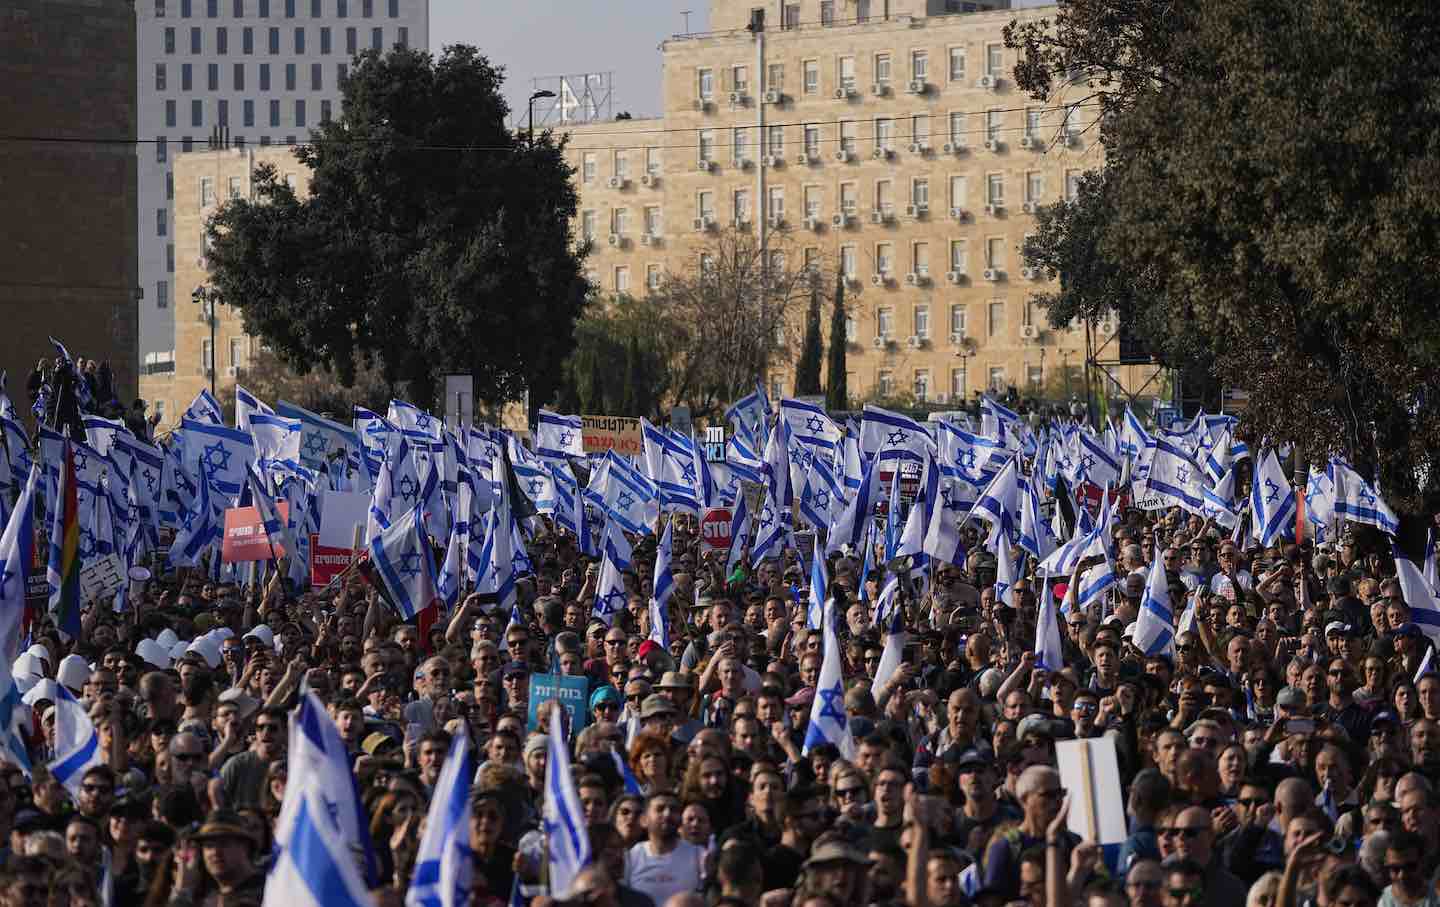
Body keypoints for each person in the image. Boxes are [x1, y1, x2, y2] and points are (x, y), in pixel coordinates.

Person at [623, 791, 705, 906]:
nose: (667, 814)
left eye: (673, 809)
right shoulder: (631, 858)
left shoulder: (698, 855)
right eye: (660, 809)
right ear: (644, 820)